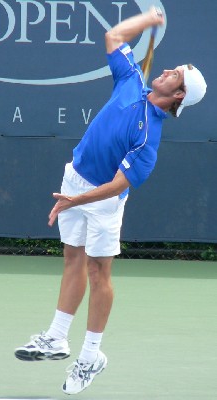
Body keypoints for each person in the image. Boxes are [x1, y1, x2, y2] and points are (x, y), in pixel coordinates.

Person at [15, 6, 207, 395]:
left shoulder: (148, 140)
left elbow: (118, 185)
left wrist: (75, 201)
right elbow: (114, 39)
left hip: (100, 200)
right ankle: (56, 336)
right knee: (72, 258)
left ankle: (91, 356)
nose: (168, 70)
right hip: (75, 178)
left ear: (179, 95)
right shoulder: (131, 81)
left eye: (176, 75)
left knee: (98, 272)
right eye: (171, 68)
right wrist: (148, 20)